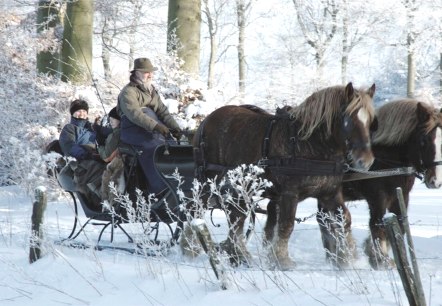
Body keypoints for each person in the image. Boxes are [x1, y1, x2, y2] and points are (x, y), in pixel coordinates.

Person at [117, 57, 182, 197]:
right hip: (133, 130)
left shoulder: (152, 91)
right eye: (146, 72)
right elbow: (135, 115)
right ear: (137, 73)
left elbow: (163, 112)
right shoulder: (128, 92)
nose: (150, 74)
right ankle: (159, 189)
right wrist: (156, 126)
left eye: (151, 72)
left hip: (152, 129)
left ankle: (177, 182)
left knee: (172, 145)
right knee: (153, 148)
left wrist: (175, 128)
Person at [59, 99, 106, 210]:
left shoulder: (92, 128)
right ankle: (100, 200)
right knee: (97, 169)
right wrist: (87, 154)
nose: (82, 113)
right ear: (73, 113)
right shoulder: (69, 128)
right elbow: (69, 146)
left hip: (99, 156)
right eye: (78, 111)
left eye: (84, 111)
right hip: (81, 161)